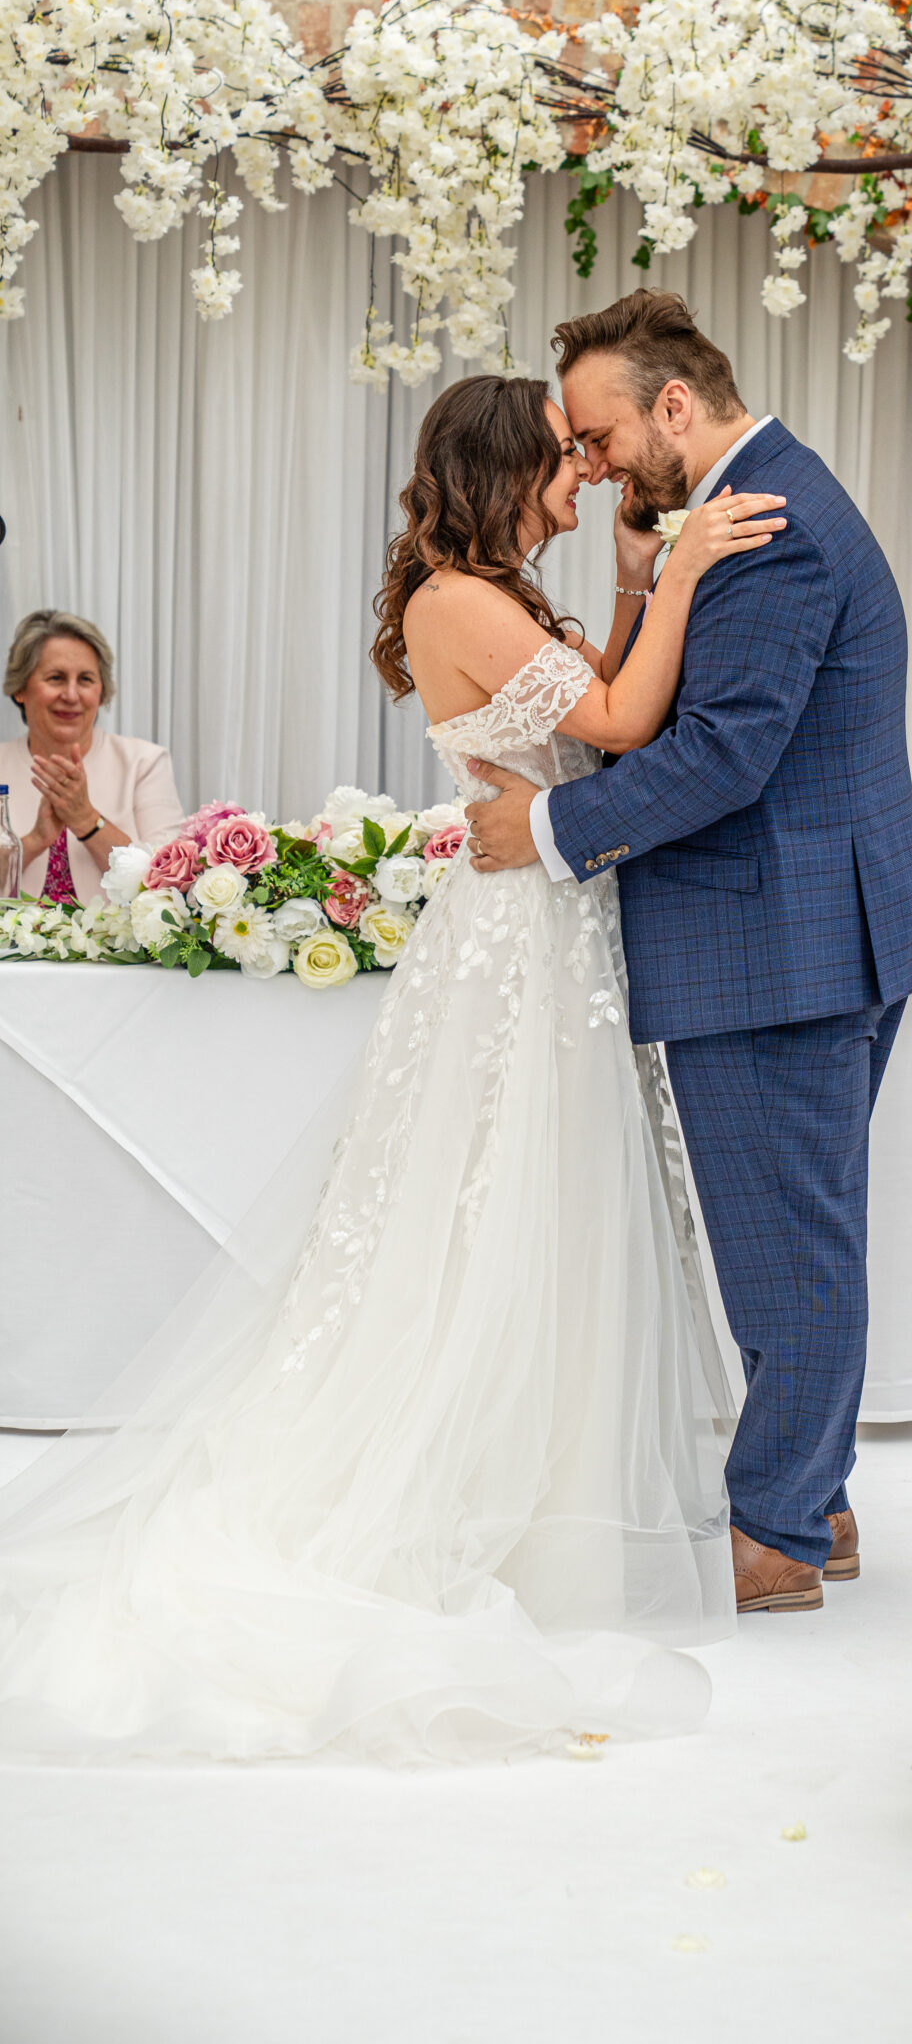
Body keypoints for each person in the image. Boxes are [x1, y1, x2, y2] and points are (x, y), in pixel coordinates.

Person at [0, 371, 788, 1761]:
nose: (583, 472)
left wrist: (624, 583)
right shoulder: (452, 597)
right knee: (481, 1211)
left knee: (545, 1211)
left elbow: (609, 708)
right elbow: (613, 729)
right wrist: (673, 578)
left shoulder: (501, 591)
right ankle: (455, 1492)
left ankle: (549, 1501)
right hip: (515, 943)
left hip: (554, 920)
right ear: (497, 469)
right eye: (560, 458)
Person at [463, 292, 912, 1616]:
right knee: (802, 1232)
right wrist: (645, 574)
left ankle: (780, 1530)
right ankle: (818, 1502)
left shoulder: (769, 532)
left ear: (672, 405)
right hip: (798, 927)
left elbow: (721, 755)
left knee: (786, 1245)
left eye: (601, 432)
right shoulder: (738, 511)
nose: (592, 462)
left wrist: (549, 825)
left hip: (779, 936)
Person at [1, 608, 183, 901]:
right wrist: (34, 841)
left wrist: (86, 820)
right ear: (20, 688)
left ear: (101, 692)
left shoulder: (144, 763)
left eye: (85, 679)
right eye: (56, 678)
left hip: (116, 946)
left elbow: (171, 881)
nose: (72, 695)